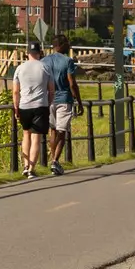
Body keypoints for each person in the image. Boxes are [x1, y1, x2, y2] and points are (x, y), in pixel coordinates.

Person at [11, 39, 53, 180]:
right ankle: (31, 169)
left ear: (27, 53)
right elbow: (51, 90)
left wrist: (16, 107)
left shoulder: (20, 69)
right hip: (40, 105)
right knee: (36, 137)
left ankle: (24, 165)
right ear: (39, 53)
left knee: (26, 135)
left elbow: (16, 92)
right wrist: (48, 103)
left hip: (24, 105)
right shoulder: (45, 67)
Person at [42, 34, 81, 176]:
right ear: (61, 45)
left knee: (53, 130)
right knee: (62, 131)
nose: (69, 46)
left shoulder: (44, 61)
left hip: (49, 99)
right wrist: (79, 101)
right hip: (64, 99)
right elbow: (72, 83)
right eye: (67, 44)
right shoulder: (68, 61)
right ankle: (54, 161)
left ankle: (53, 161)